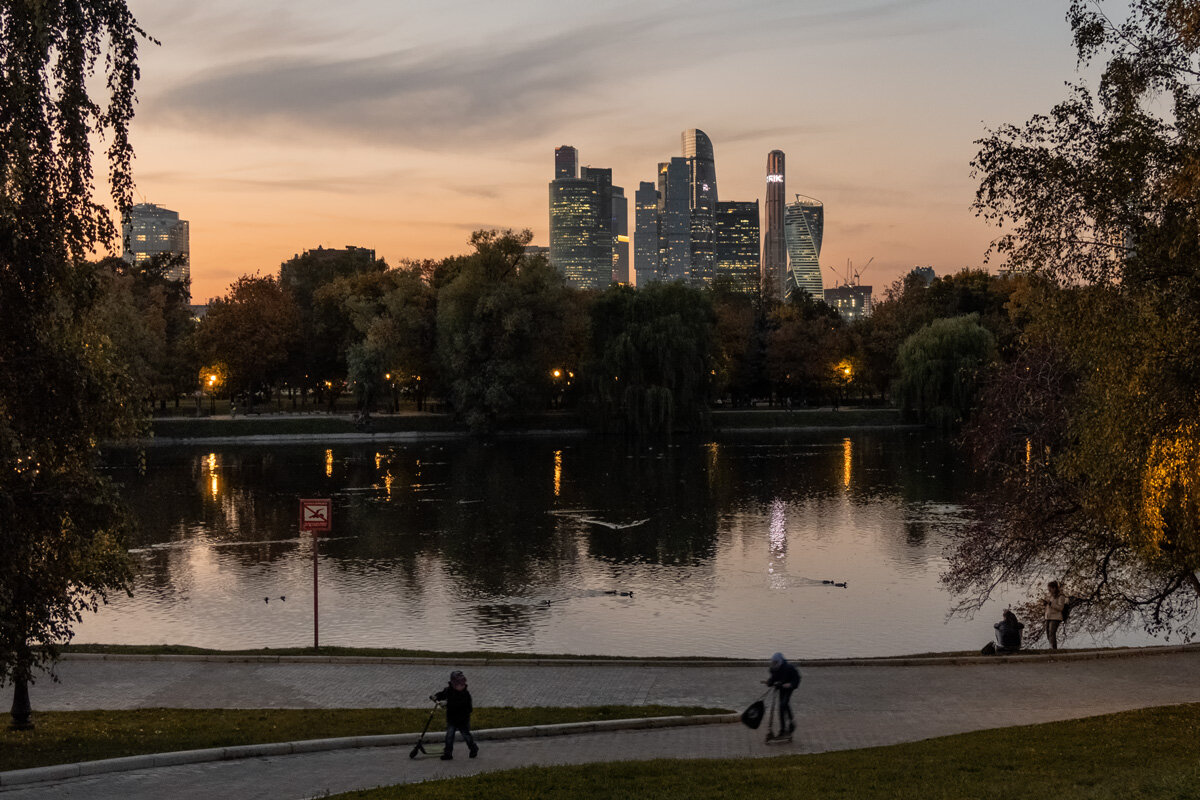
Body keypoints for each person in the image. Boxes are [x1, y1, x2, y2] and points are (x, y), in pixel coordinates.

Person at [432, 670, 477, 760]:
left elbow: (461, 705)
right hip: (452, 719)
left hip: (463, 719)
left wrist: (447, 703)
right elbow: (442, 694)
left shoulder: (465, 694)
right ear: (453, 684)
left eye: (462, 684)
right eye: (458, 685)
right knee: (449, 736)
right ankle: (448, 753)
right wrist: (436, 696)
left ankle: (473, 748)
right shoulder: (448, 690)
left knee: (466, 736)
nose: (461, 687)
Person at [765, 652, 801, 735]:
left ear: (780, 661)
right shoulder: (774, 668)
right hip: (781, 688)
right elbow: (773, 678)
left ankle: (785, 728)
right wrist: (769, 682)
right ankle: (786, 726)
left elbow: (797, 678)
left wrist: (791, 684)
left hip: (788, 688)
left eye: (776, 662)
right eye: (773, 662)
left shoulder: (788, 668)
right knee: (783, 705)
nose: (774, 664)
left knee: (782, 705)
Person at [1043, 580, 1067, 649]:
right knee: (1048, 633)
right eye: (1048, 589)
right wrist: (1046, 604)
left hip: (1056, 617)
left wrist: (1051, 604)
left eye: (1050, 589)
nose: (1049, 591)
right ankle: (1051, 646)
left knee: (1052, 632)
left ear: (1054, 588)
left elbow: (1060, 608)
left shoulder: (1061, 596)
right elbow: (1049, 606)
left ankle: (1053, 648)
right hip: (1048, 616)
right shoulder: (1050, 596)